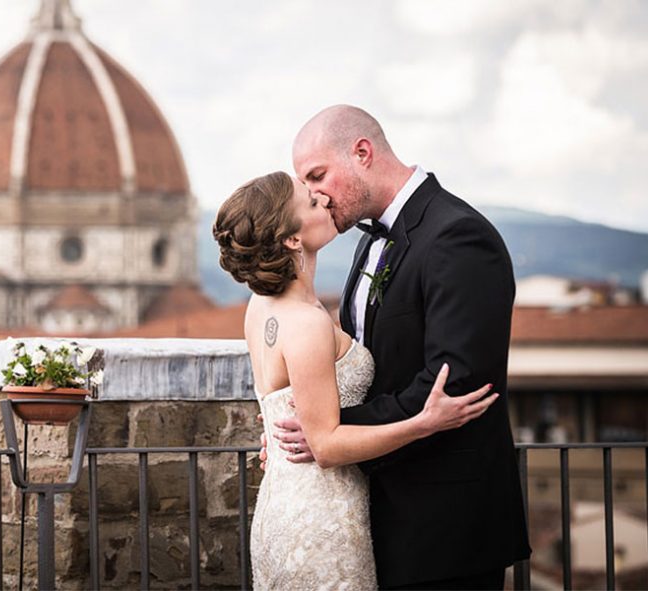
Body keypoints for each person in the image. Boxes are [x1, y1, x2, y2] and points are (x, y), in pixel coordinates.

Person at [275, 104, 531, 589]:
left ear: (362, 153)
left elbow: (457, 384)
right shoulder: (367, 241)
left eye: (317, 175)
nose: (313, 195)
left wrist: (328, 433)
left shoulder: (457, 235)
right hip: (378, 517)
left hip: (446, 527)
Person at [214, 171, 500, 590]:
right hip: (322, 518)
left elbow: (288, 403)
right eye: (311, 202)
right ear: (292, 239)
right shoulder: (307, 322)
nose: (324, 201)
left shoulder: (260, 306)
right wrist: (424, 422)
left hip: (284, 502)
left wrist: (277, 437)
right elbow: (326, 447)